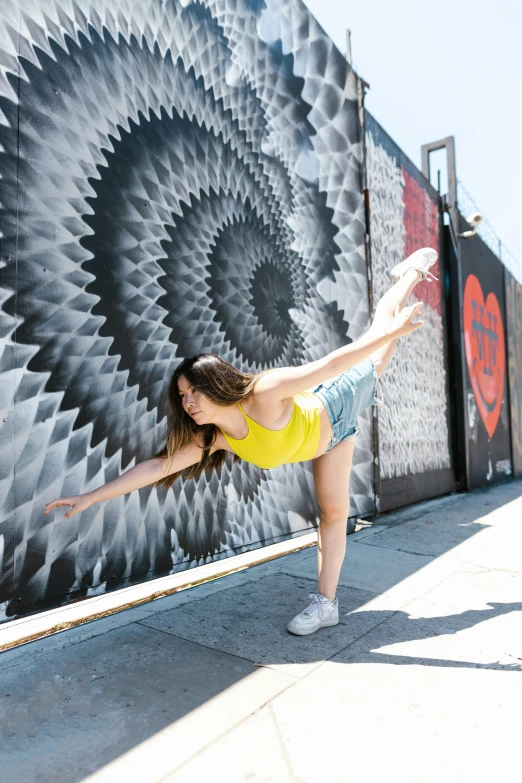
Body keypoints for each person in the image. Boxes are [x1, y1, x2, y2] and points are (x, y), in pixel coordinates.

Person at [44, 247, 438, 635]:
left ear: (215, 383)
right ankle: (327, 606)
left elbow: (330, 365)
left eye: (194, 391)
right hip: (329, 441)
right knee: (333, 513)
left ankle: (412, 272)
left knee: (380, 343)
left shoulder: (263, 393)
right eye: (182, 396)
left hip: (335, 402)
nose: (189, 402)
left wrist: (392, 332)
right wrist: (91, 497)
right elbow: (159, 466)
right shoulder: (215, 439)